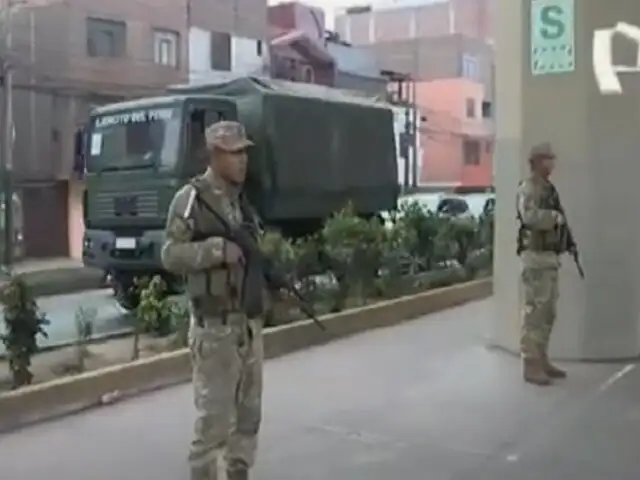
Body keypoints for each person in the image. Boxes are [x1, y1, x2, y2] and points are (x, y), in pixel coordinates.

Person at [161, 120, 262, 480]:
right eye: (235, 153)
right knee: (214, 425)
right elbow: (170, 255)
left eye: (244, 153)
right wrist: (217, 250)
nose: (242, 161)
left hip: (245, 325)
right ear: (216, 155)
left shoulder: (240, 202)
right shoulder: (192, 199)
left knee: (248, 418)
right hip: (214, 329)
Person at [516, 142, 571, 386]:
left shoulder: (547, 188)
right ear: (537, 161)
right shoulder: (529, 188)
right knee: (536, 312)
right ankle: (531, 363)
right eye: (548, 158)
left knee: (548, 311)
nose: (552, 163)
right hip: (535, 257)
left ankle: (542, 357)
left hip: (548, 256)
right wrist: (554, 218)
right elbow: (528, 217)